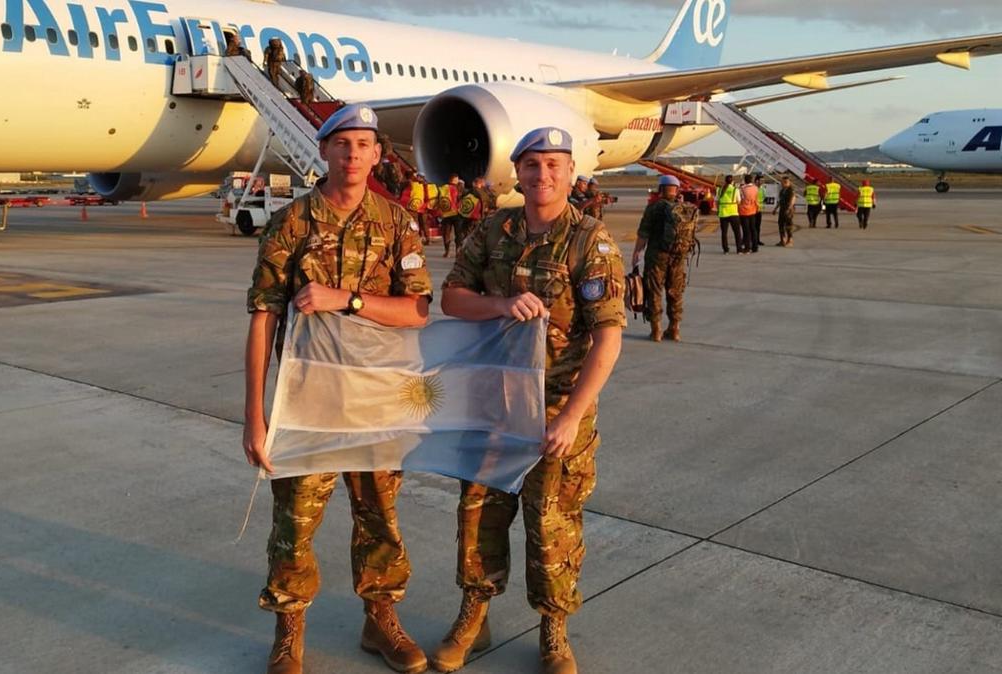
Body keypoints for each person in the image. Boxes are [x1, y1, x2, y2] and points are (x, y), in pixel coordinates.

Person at [244, 104, 433, 674]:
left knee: (380, 518)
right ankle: (289, 631)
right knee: (294, 522)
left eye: (364, 145)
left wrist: (345, 300)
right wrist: (255, 415)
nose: (353, 154)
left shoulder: (398, 223)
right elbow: (263, 319)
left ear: (378, 154)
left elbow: (418, 311)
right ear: (323, 151)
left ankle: (380, 622)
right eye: (342, 143)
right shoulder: (292, 224)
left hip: (378, 402)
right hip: (309, 405)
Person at [437, 127, 626, 674]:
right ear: (516, 172)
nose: (542, 175)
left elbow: (608, 338)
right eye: (532, 165)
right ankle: (474, 613)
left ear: (571, 173)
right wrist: (498, 304)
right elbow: (452, 298)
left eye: (553, 165)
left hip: (555, 408)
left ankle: (553, 627)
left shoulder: (591, 241)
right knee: (479, 514)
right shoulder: (493, 231)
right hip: (492, 406)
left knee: (551, 522)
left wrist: (571, 416)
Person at [632, 175, 696, 342]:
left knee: (654, 291)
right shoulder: (683, 209)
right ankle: (674, 329)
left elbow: (643, 233)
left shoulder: (654, 208)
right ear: (676, 189)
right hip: (678, 256)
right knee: (675, 292)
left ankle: (656, 331)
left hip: (657, 256)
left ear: (660, 189)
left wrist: (636, 253)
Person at [454, 176, 488, 247]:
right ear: (481, 184)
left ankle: (461, 248)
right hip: (476, 218)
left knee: (465, 233)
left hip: (465, 216)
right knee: (475, 236)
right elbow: (484, 206)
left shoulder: (466, 192)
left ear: (473, 184)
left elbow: (460, 202)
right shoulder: (483, 193)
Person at [716, 174, 742, 254]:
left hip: (723, 214)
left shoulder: (719, 190)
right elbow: (739, 201)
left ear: (725, 181)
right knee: (737, 232)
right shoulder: (735, 190)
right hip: (733, 213)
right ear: (732, 181)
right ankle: (739, 249)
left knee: (724, 233)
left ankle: (725, 250)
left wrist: (718, 210)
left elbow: (717, 201)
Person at [440, 173, 461, 257]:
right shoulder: (459, 188)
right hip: (456, 214)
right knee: (458, 234)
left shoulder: (443, 188)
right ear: (454, 180)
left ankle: (447, 251)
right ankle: (457, 251)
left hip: (446, 213)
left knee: (446, 233)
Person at [738, 174, 759, 254]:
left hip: (744, 211)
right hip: (753, 210)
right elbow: (756, 199)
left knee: (746, 230)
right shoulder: (755, 188)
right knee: (753, 229)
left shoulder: (742, 189)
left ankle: (747, 248)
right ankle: (755, 247)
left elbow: (740, 200)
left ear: (745, 180)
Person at [773, 176, 796, 247]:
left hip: (788, 209)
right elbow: (780, 200)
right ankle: (782, 240)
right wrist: (775, 209)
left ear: (788, 182)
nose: (782, 183)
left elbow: (793, 199)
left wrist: (789, 209)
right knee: (781, 224)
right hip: (782, 209)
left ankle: (790, 240)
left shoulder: (791, 190)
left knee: (788, 225)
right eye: (782, 182)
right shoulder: (782, 190)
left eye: (784, 182)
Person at [754, 175, 766, 247]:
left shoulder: (763, 189)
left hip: (759, 210)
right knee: (750, 226)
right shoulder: (753, 188)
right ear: (756, 181)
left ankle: (757, 240)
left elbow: (764, 198)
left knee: (758, 226)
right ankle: (746, 240)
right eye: (761, 180)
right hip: (752, 210)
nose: (762, 182)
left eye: (763, 181)